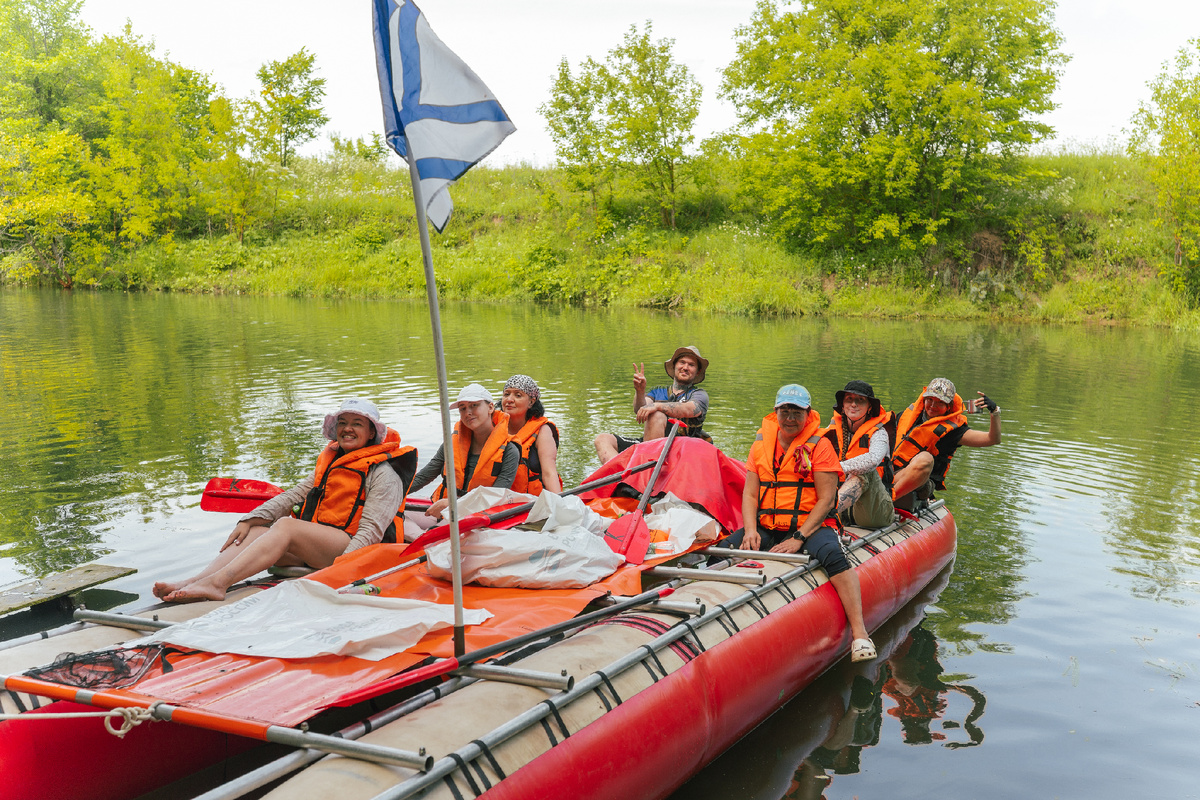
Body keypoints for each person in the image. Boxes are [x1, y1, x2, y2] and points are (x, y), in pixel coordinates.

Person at [154, 398, 416, 603]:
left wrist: (337, 574)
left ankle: (218, 584)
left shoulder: (384, 474)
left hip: (360, 556)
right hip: (324, 547)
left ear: (372, 433)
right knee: (256, 531)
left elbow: (370, 533)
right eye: (343, 422)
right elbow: (293, 495)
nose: (347, 428)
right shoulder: (333, 462)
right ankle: (195, 581)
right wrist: (251, 518)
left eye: (357, 423)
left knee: (287, 526)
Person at [731, 384, 876, 663]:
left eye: (797, 412)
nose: (790, 418)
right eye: (785, 411)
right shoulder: (760, 444)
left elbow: (826, 499)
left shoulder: (820, 446)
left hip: (810, 526)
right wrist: (750, 530)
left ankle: (860, 633)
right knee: (727, 546)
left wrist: (799, 536)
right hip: (768, 526)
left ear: (807, 414)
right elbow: (750, 493)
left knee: (833, 555)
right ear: (776, 412)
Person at [409, 383, 520, 520]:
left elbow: (494, 497)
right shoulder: (451, 444)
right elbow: (423, 477)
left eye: (474, 405)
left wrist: (453, 504)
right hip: (446, 511)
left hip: (481, 518)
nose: (468, 412)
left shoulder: (510, 450)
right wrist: (390, 493)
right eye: (463, 408)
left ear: (490, 407)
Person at [891, 378, 1001, 511]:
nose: (932, 405)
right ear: (924, 399)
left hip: (920, 482)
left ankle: (885, 502)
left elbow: (992, 439)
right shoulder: (906, 416)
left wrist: (994, 412)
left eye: (940, 403)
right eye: (929, 400)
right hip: (891, 472)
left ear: (948, 406)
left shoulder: (954, 431)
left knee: (925, 458)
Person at [594, 345, 712, 463]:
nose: (685, 367)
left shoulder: (699, 394)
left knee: (656, 415)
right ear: (675, 366)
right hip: (649, 445)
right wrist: (640, 391)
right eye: (682, 362)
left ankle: (648, 469)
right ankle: (621, 474)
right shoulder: (657, 392)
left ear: (697, 372)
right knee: (602, 440)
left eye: (691, 365)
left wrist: (657, 406)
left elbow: (690, 409)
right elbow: (640, 409)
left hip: (682, 450)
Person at [822, 380, 895, 529]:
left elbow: (873, 459)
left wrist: (836, 467)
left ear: (869, 407)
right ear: (842, 405)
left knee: (864, 471)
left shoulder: (879, 433)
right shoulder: (829, 431)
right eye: (849, 399)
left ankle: (824, 515)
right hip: (843, 507)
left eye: (860, 400)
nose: (854, 404)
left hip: (873, 511)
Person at [501, 374, 562, 495]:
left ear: (531, 402)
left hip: (534, 503)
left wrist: (559, 504)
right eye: (506, 394)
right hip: (499, 503)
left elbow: (549, 473)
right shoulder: (493, 427)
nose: (509, 400)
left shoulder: (542, 430)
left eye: (518, 395)